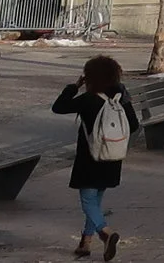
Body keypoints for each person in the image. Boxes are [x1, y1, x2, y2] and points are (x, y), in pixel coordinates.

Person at [51, 53, 139, 260]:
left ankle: (105, 233)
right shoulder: (120, 99)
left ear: (90, 77)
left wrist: (74, 87)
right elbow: (134, 125)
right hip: (112, 156)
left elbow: (58, 107)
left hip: (89, 158)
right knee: (96, 200)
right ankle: (85, 242)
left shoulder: (87, 100)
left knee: (88, 201)